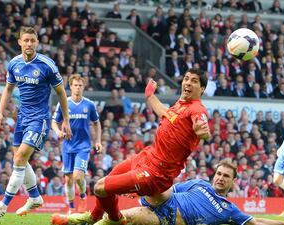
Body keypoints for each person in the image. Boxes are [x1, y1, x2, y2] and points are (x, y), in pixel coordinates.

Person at [69, 68, 210, 225]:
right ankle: (94, 217)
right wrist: (150, 95)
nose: (188, 83)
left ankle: (115, 220)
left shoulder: (197, 108)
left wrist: (204, 132)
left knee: (100, 187)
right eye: (186, 78)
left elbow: (202, 126)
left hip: (156, 172)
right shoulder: (181, 104)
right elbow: (164, 112)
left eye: (194, 81)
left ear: (202, 89)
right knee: (107, 182)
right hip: (146, 157)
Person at [0, 26, 72, 219]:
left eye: (33, 40)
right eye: (26, 40)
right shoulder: (14, 63)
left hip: (39, 118)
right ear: (20, 42)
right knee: (20, 160)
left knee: (19, 158)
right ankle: (34, 197)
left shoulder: (46, 65)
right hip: (21, 118)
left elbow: (61, 93)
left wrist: (65, 119)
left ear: (37, 43)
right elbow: (8, 89)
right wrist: (0, 113)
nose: (29, 44)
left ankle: (2, 206)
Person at [51, 159, 284, 225]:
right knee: (163, 185)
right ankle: (137, 178)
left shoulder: (229, 211)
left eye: (226, 176)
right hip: (160, 197)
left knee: (118, 220)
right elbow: (170, 189)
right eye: (218, 173)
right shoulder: (199, 183)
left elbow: (257, 221)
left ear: (232, 183)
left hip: (165, 218)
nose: (220, 178)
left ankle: (76, 220)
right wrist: (139, 193)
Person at [52, 74, 102, 213]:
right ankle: (72, 207)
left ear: (83, 87)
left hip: (83, 146)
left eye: (80, 85)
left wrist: (98, 141)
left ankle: (83, 196)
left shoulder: (89, 104)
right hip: (68, 146)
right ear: (71, 86)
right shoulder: (64, 103)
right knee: (68, 180)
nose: (78, 87)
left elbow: (97, 123)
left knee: (78, 176)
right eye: (75, 85)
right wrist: (57, 131)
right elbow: (54, 122)